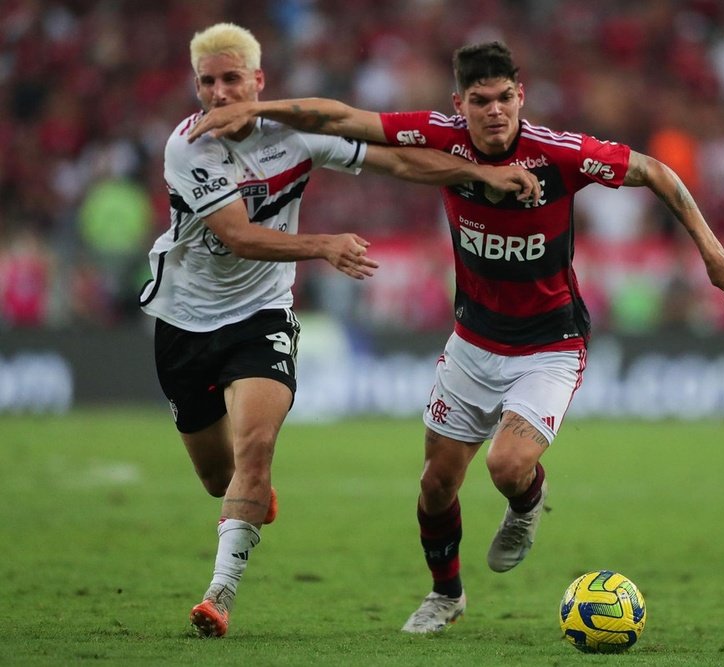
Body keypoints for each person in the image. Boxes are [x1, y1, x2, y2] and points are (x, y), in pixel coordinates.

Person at [189, 40, 724, 634]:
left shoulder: (558, 155)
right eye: (481, 101)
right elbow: (343, 118)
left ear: (521, 96)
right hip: (473, 344)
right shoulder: (438, 136)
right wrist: (260, 110)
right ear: (461, 104)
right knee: (435, 485)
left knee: (507, 466)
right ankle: (446, 594)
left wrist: (710, 249)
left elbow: (653, 169)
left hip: (550, 345)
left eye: (506, 97)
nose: (495, 111)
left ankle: (526, 504)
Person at [140, 25, 540, 639]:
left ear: (258, 82)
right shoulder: (188, 146)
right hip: (184, 321)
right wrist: (323, 245)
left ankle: (219, 595)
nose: (219, 93)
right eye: (208, 82)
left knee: (256, 450)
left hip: (262, 315)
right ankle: (249, 498)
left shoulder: (293, 134)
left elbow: (400, 159)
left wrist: (482, 176)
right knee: (220, 478)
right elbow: (239, 236)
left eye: (231, 79)